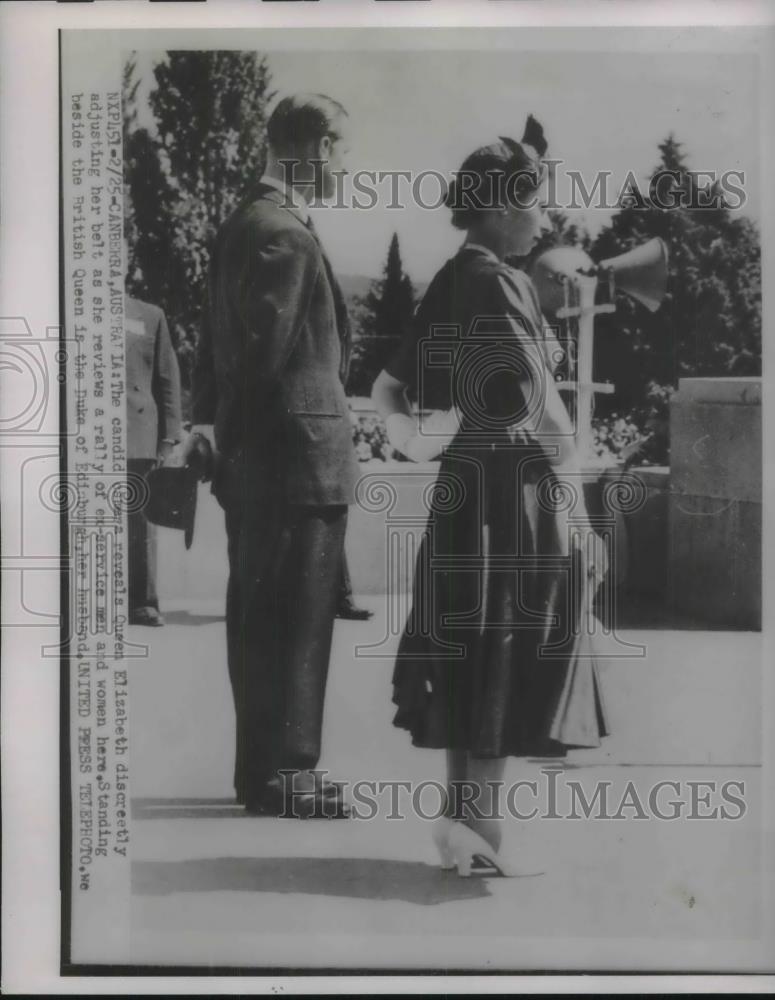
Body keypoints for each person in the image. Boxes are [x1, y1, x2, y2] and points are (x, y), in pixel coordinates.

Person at [372, 116, 610, 875]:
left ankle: (458, 824)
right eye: (537, 203)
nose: (543, 220)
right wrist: (574, 511)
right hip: (515, 490)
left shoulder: (448, 277)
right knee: (501, 644)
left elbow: (385, 389)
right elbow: (545, 410)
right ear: (505, 203)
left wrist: (424, 446)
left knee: (467, 646)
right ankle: (484, 831)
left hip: (462, 485)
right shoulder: (501, 282)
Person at [190, 94, 358, 818]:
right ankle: (288, 776)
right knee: (295, 624)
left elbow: (213, 346)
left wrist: (214, 436)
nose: (343, 165)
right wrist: (239, 447)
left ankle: (258, 772)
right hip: (294, 462)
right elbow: (259, 363)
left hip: (266, 463)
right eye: (340, 149)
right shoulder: (283, 235)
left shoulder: (243, 224)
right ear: (315, 147)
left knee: (262, 621)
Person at [125, 294, 182, 627]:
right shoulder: (74, 309)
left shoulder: (150, 314)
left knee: (140, 521)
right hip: (87, 434)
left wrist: (168, 436)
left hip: (138, 434)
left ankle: (143, 603)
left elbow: (167, 378)